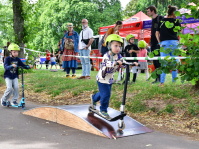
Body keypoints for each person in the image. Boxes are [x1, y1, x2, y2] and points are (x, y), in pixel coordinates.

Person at [90, 34, 138, 119]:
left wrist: (131, 64)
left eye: (119, 46)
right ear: (109, 46)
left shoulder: (119, 56)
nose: (118, 48)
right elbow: (107, 64)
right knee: (106, 95)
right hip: (102, 78)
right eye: (115, 46)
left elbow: (123, 63)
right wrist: (115, 63)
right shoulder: (106, 55)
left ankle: (94, 97)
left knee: (103, 93)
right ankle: (103, 110)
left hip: (110, 79)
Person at [155, 5, 181, 86]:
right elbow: (179, 33)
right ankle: (174, 82)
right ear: (173, 13)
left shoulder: (162, 21)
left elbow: (157, 33)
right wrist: (178, 42)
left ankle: (162, 82)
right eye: (176, 13)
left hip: (164, 43)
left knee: (164, 64)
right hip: (174, 43)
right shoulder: (176, 21)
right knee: (174, 64)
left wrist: (159, 42)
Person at [146, 6, 164, 83]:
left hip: (158, 43)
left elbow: (162, 30)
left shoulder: (160, 18)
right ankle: (157, 78)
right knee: (154, 60)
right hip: (153, 42)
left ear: (153, 11)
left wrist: (160, 41)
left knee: (158, 60)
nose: (147, 13)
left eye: (148, 11)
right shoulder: (153, 20)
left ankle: (160, 78)